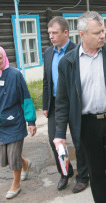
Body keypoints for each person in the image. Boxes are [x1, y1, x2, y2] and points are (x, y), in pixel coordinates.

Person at [53, 11, 106, 203]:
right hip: (86, 126)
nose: (102, 36)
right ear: (82, 35)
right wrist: (59, 134)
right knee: (96, 173)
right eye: (96, 32)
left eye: (103, 31)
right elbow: (62, 101)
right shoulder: (68, 62)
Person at [0, 45, 37, 199]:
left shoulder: (14, 75)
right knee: (6, 156)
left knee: (12, 157)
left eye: (0, 58)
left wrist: (30, 121)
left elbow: (25, 98)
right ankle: (25, 163)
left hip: (14, 121)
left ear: (4, 57)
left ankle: (16, 185)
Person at [42, 16, 89, 193]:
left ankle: (83, 177)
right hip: (55, 103)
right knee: (55, 140)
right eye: (49, 33)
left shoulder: (78, 51)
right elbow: (47, 80)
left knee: (80, 140)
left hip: (76, 103)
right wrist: (46, 105)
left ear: (66, 33)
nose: (51, 37)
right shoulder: (48, 53)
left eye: (54, 33)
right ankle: (65, 173)